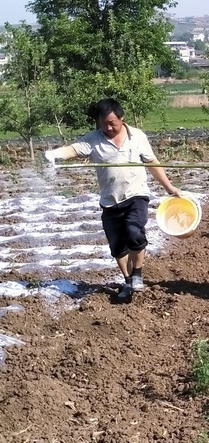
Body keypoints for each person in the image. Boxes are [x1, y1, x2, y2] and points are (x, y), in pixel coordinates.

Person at [43, 98, 181, 303]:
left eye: (112, 123)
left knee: (134, 232)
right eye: (104, 123)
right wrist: (53, 154)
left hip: (136, 195)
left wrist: (169, 188)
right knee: (117, 246)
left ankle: (137, 275)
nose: (108, 127)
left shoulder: (137, 137)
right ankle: (127, 280)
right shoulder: (94, 139)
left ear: (121, 118)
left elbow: (152, 163)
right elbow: (73, 149)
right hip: (110, 201)